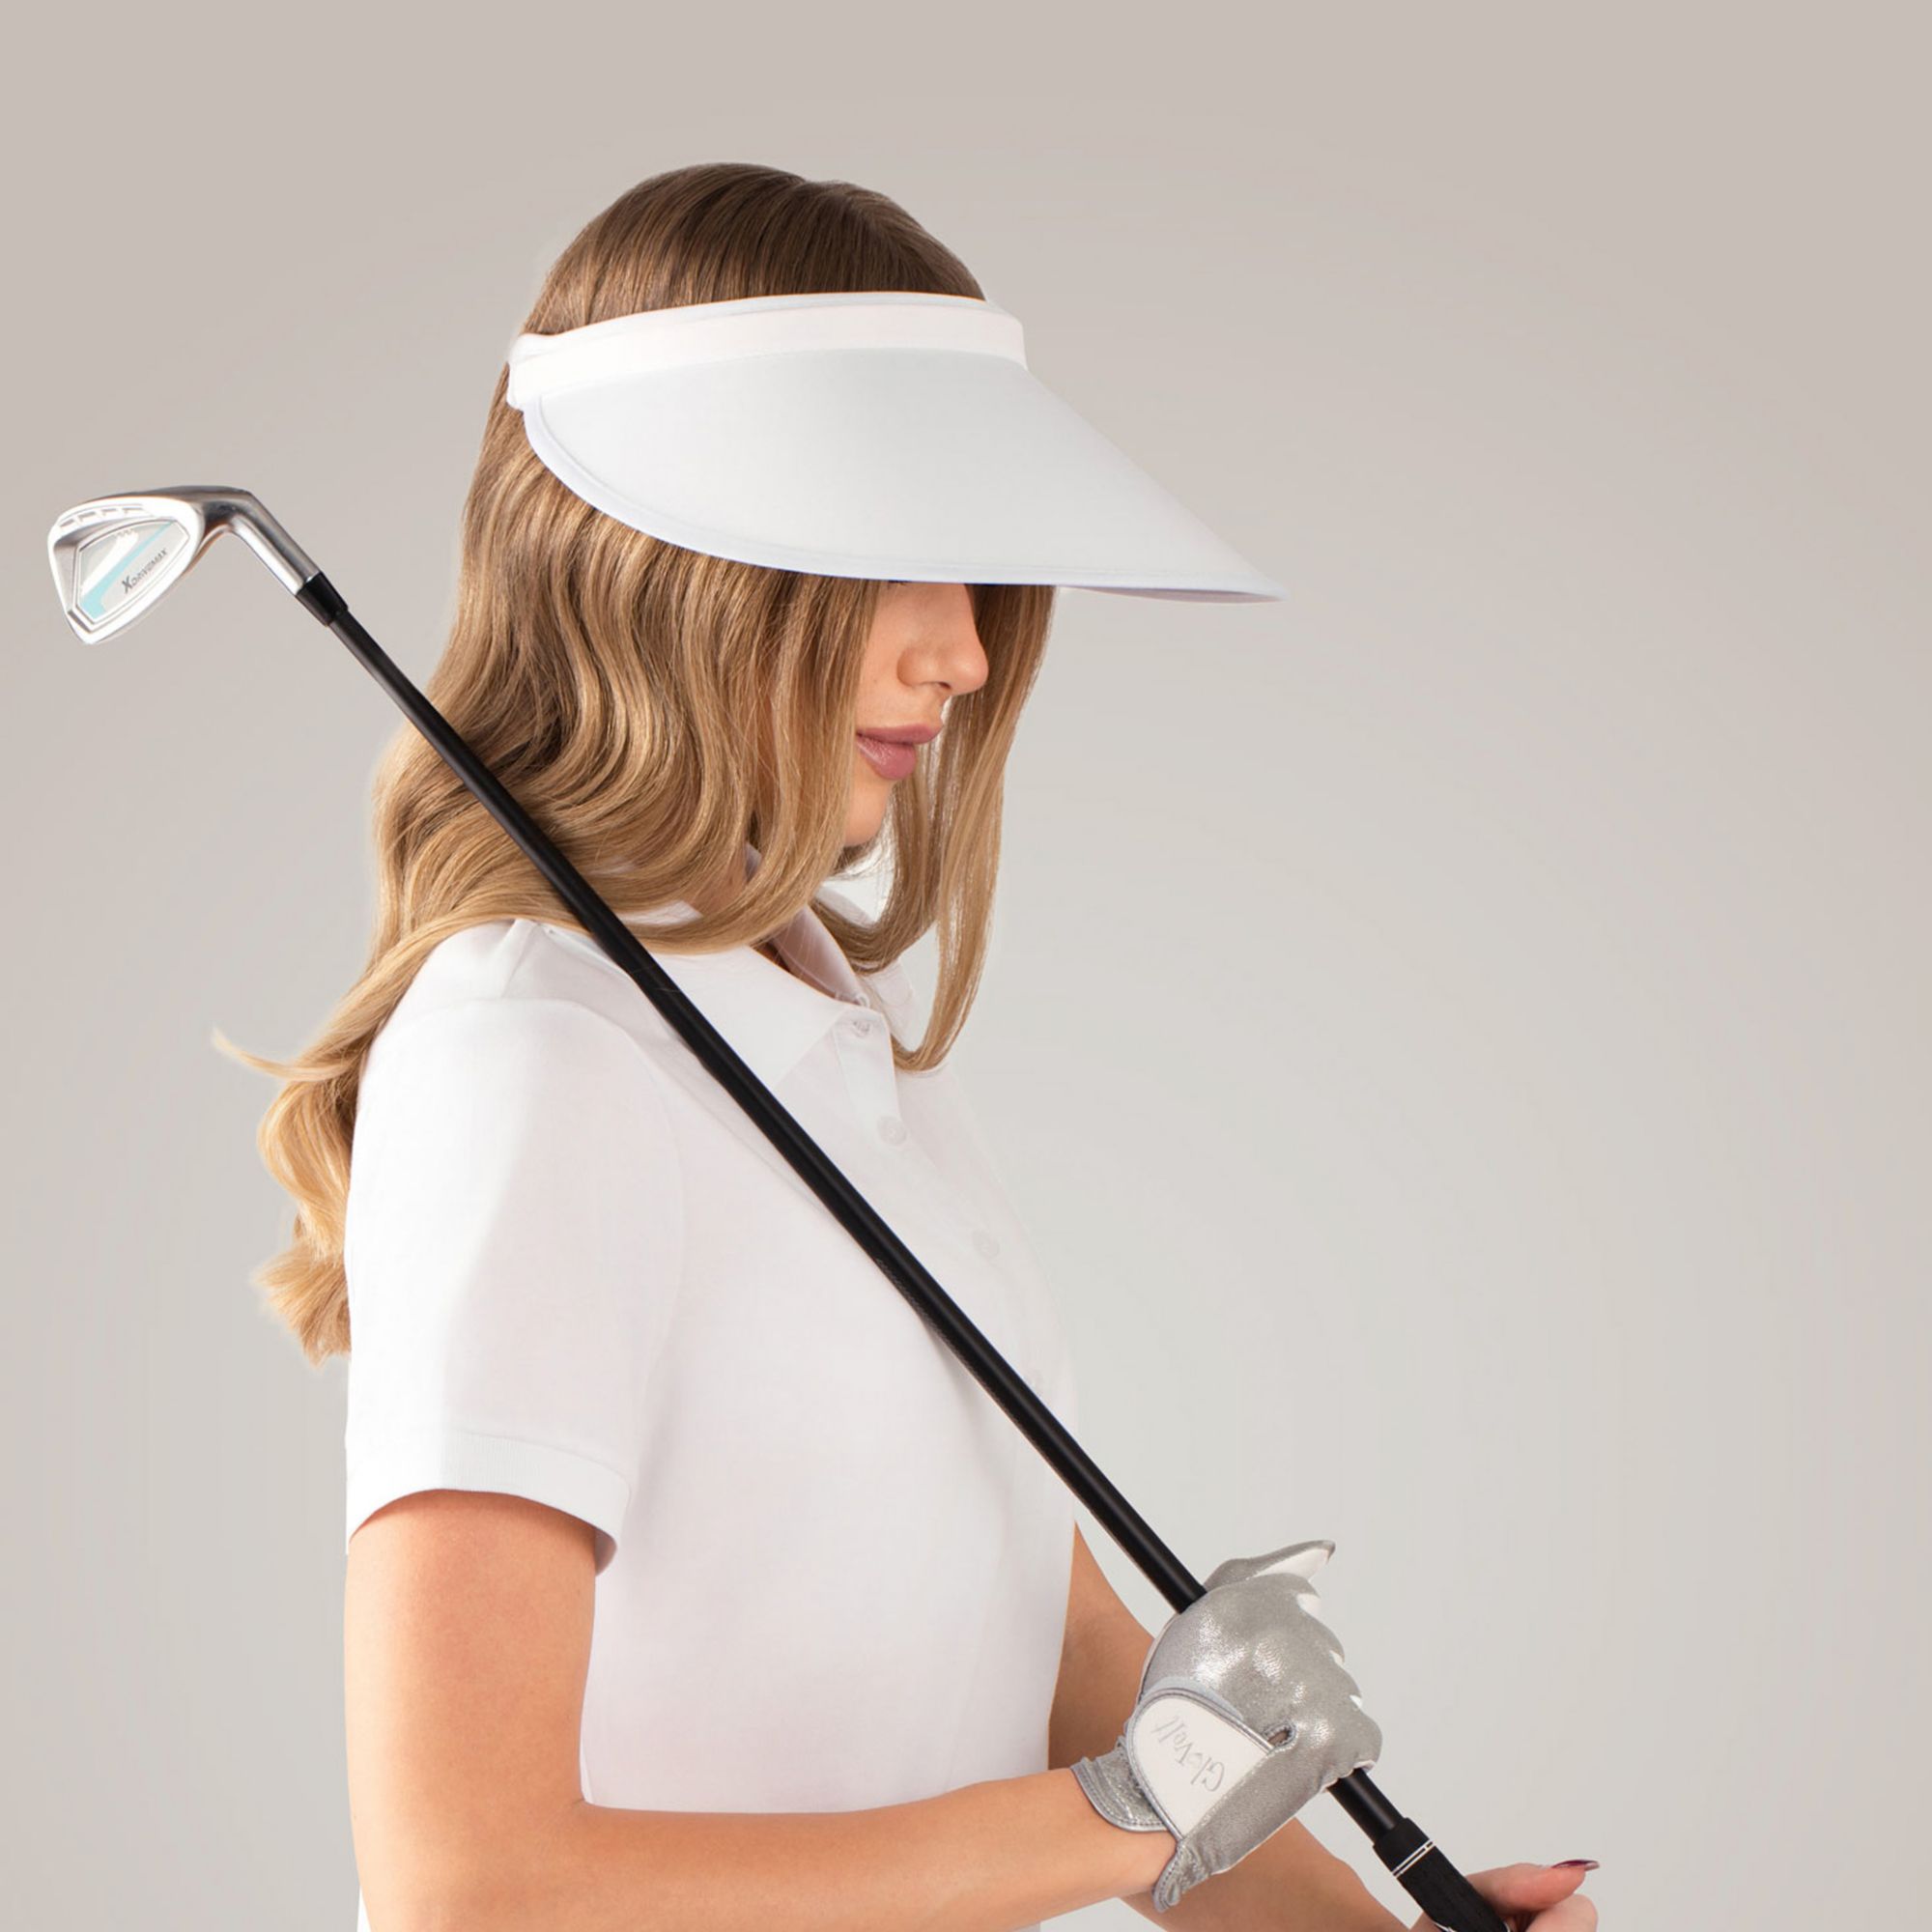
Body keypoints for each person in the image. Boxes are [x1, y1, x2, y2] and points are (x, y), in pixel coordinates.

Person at [232, 161, 1599, 1932]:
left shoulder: (822, 1020)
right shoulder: (535, 1052)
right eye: (886, 552)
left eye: (967, 560)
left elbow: (1048, 1629)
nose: (962, 650)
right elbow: (471, 1885)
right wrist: (1119, 1815)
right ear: (671, 567)